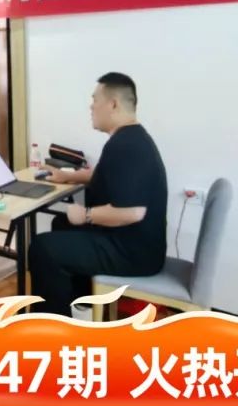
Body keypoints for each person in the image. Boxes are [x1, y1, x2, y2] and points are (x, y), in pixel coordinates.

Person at [29, 72, 168, 316]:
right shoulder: (131, 138)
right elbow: (105, 174)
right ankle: (80, 299)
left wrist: (86, 215)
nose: (91, 106)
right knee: (61, 224)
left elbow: (132, 213)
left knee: (43, 249)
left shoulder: (126, 146)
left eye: (95, 100)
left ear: (112, 104)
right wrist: (68, 176)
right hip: (135, 243)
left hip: (133, 252)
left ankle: (52, 327)